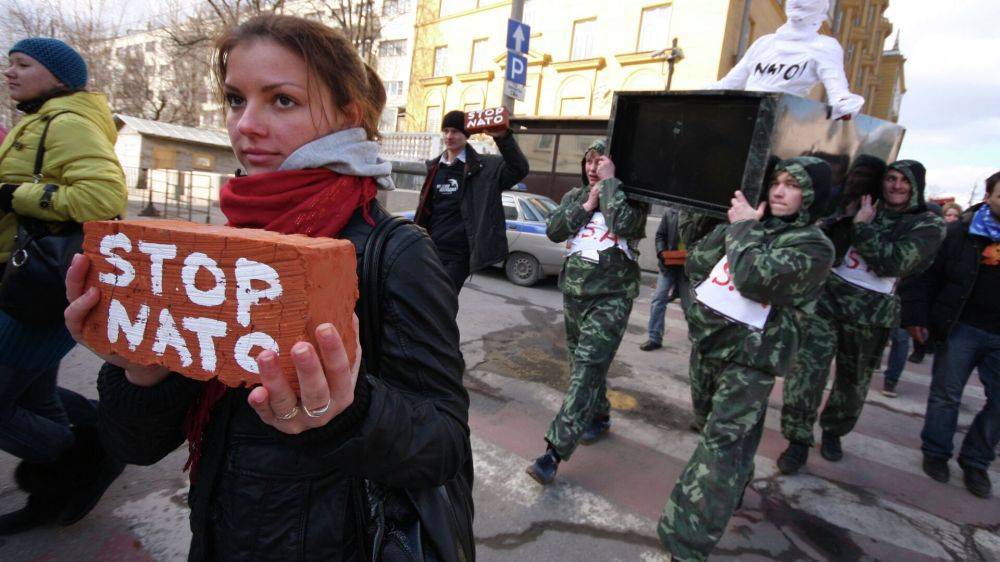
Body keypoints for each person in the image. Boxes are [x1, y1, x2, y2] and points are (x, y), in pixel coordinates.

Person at [63, 16, 473, 560]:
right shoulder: (219, 244)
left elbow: (443, 445)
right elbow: (133, 447)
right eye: (236, 99)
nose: (246, 125)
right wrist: (141, 369)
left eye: (282, 101)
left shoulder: (391, 251)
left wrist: (349, 415)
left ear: (348, 115)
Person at [658, 157, 834, 561]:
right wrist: (735, 226)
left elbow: (754, 279)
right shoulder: (753, 224)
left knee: (719, 447)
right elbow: (698, 261)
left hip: (751, 360)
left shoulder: (813, 244)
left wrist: (742, 230)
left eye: (793, 184)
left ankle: (684, 545)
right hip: (710, 346)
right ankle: (737, 480)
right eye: (777, 181)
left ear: (811, 196)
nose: (779, 190)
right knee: (714, 430)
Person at [0, 37, 127, 534]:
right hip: (21, 276)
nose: (10, 72)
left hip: (39, 283)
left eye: (23, 65)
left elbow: (102, 196)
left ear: (58, 77)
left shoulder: (66, 122)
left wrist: (15, 195)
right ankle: (54, 493)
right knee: (32, 400)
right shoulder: (37, 120)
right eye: (8, 64)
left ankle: (89, 454)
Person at [778, 160, 946, 474]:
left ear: (916, 187)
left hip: (871, 317)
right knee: (805, 375)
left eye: (904, 181)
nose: (896, 186)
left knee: (852, 384)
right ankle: (797, 440)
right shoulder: (862, 204)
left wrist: (864, 226)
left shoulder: (927, 223)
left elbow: (894, 263)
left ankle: (833, 432)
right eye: (891, 179)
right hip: (826, 304)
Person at [525, 139, 647, 484]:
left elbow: (624, 223)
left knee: (587, 368)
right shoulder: (574, 198)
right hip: (575, 294)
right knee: (584, 366)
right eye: (588, 162)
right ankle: (600, 415)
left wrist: (608, 188)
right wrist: (588, 203)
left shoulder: (630, 198)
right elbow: (553, 231)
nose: (592, 168)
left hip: (611, 298)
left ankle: (553, 453)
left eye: (600, 162)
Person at [910, 171, 1000, 499]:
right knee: (946, 395)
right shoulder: (959, 233)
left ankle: (976, 460)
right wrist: (917, 317)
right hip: (960, 327)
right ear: (988, 196)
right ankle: (936, 453)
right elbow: (926, 276)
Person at [414, 109, 528, 294]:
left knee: (443, 300)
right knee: (426, 300)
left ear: (466, 135)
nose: (449, 136)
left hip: (459, 253)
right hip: (431, 246)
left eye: (455, 131)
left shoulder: (484, 168)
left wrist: (503, 138)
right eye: (446, 131)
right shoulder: (435, 167)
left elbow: (519, 169)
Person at [710, 0, 864, 120]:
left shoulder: (824, 46)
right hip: (744, 116)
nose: (797, 2)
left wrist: (845, 104)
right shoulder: (764, 43)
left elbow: (837, 90)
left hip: (781, 122)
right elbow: (730, 84)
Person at [640, 207, 682, 351]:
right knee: (658, 299)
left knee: (691, 306)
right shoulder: (670, 212)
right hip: (668, 265)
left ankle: (699, 342)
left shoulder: (699, 214)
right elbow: (660, 235)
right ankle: (654, 338)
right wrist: (661, 253)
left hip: (688, 268)